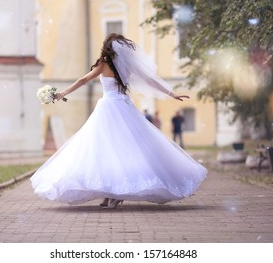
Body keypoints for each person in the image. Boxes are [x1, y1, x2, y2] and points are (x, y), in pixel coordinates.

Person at [30, 33, 207, 209]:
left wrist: (62, 93)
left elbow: (84, 80)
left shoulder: (103, 64)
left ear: (106, 48)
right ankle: (111, 193)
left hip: (108, 107)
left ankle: (115, 194)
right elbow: (150, 80)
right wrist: (171, 93)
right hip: (123, 107)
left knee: (106, 149)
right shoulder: (126, 66)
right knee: (121, 148)